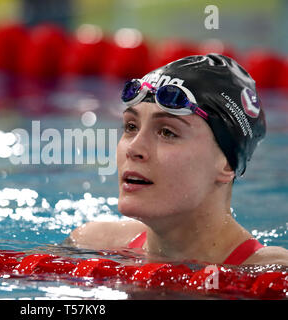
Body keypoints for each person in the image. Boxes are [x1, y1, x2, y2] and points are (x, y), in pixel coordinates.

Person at [67, 54, 288, 266]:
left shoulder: (273, 274)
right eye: (131, 127)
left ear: (227, 163)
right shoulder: (90, 245)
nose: (133, 148)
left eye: (167, 132)